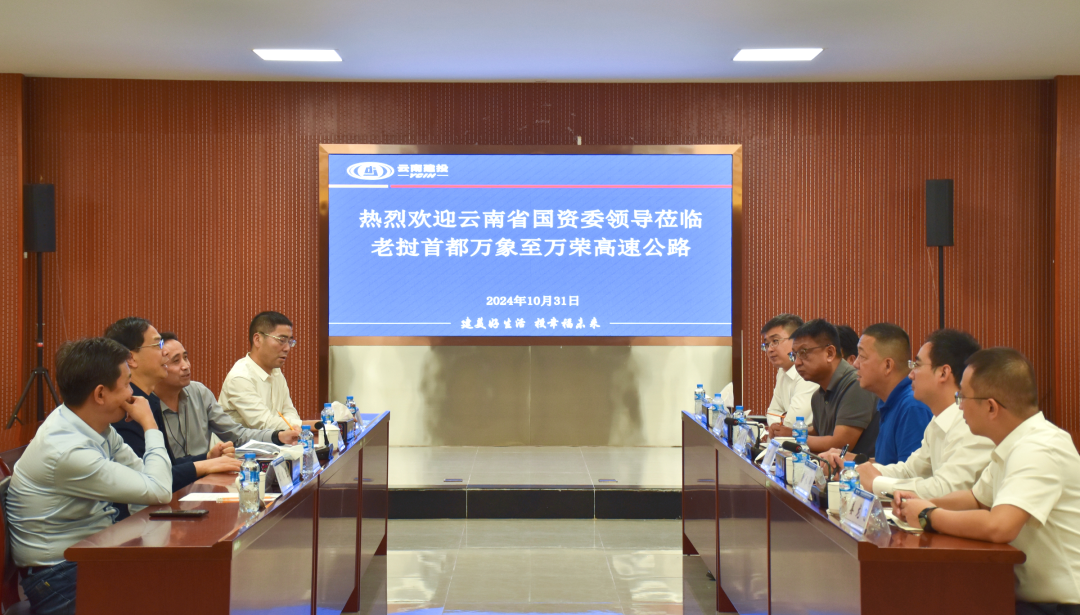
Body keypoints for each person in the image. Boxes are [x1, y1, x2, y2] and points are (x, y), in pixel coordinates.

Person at [895, 348, 1080, 614]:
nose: (959, 406)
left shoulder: (1039, 448)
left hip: (1061, 606)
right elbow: (977, 499)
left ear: (991, 407)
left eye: (962, 397)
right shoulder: (1012, 443)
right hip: (1024, 598)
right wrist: (923, 502)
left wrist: (928, 515)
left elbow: (999, 526)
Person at [6, 338, 173, 615]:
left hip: (87, 555)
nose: (132, 394)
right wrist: (149, 424)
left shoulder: (94, 425)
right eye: (127, 383)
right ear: (100, 394)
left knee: (174, 583)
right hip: (59, 576)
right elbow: (158, 490)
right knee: (171, 595)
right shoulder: (67, 450)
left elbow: (148, 485)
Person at [106, 317, 241, 499]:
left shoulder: (148, 400)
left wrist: (207, 458)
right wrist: (206, 465)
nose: (164, 353)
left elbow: (164, 465)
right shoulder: (125, 406)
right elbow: (152, 480)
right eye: (157, 345)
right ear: (131, 358)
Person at [858, 329, 994, 498]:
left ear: (943, 373)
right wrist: (856, 471)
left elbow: (947, 489)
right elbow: (910, 471)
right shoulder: (937, 421)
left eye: (917, 365)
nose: (910, 374)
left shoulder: (972, 424)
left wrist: (876, 482)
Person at [154, 332, 299, 459]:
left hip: (208, 475)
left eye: (185, 358)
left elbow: (237, 435)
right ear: (157, 365)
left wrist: (278, 436)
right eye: (176, 361)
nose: (186, 366)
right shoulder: (147, 404)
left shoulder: (199, 393)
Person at [790, 319, 879, 455]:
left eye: (803, 352)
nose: (797, 362)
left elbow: (841, 444)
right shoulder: (818, 396)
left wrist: (790, 439)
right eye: (794, 355)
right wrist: (790, 432)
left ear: (830, 353)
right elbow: (819, 434)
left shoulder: (856, 384)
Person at [219, 311, 304, 431]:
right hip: (238, 443)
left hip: (273, 441)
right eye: (281, 340)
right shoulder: (240, 377)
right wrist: (312, 425)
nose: (287, 348)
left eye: (290, 342)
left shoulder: (276, 372)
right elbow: (265, 424)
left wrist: (295, 427)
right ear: (257, 339)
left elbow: (289, 412)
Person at [760, 313, 819, 439]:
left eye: (775, 341)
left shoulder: (807, 372)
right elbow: (772, 412)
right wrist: (778, 427)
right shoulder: (782, 371)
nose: (769, 349)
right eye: (767, 344)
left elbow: (793, 423)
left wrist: (780, 427)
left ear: (797, 340)